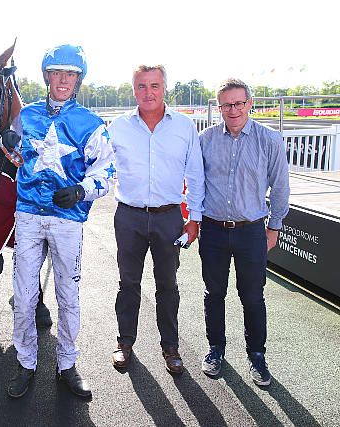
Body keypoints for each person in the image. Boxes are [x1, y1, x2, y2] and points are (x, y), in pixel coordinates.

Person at [4, 44, 114, 399]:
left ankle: (67, 364)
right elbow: (16, 156)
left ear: (78, 79)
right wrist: (7, 145)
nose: (63, 80)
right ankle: (25, 362)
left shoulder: (90, 123)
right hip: (29, 215)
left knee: (68, 295)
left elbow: (107, 171)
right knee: (24, 296)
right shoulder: (26, 115)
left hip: (67, 220)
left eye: (70, 74)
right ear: (47, 77)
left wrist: (82, 191)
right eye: (57, 73)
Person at [108, 65, 205, 375]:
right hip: (129, 216)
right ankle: (125, 342)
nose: (148, 92)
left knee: (167, 285)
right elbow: (99, 167)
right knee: (128, 283)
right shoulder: (118, 127)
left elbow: (196, 175)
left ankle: (171, 346)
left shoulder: (184, 127)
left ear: (165, 88)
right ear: (133, 90)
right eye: (141, 86)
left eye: (154, 85)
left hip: (169, 218)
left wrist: (194, 218)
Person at [198, 78, 290, 386]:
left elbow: (280, 187)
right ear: (219, 107)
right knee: (214, 294)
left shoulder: (269, 139)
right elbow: (195, 183)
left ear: (250, 104)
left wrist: (274, 227)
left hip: (251, 231)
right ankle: (215, 350)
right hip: (212, 231)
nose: (233, 110)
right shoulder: (205, 139)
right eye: (226, 104)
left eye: (239, 103)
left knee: (252, 296)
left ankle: (257, 356)